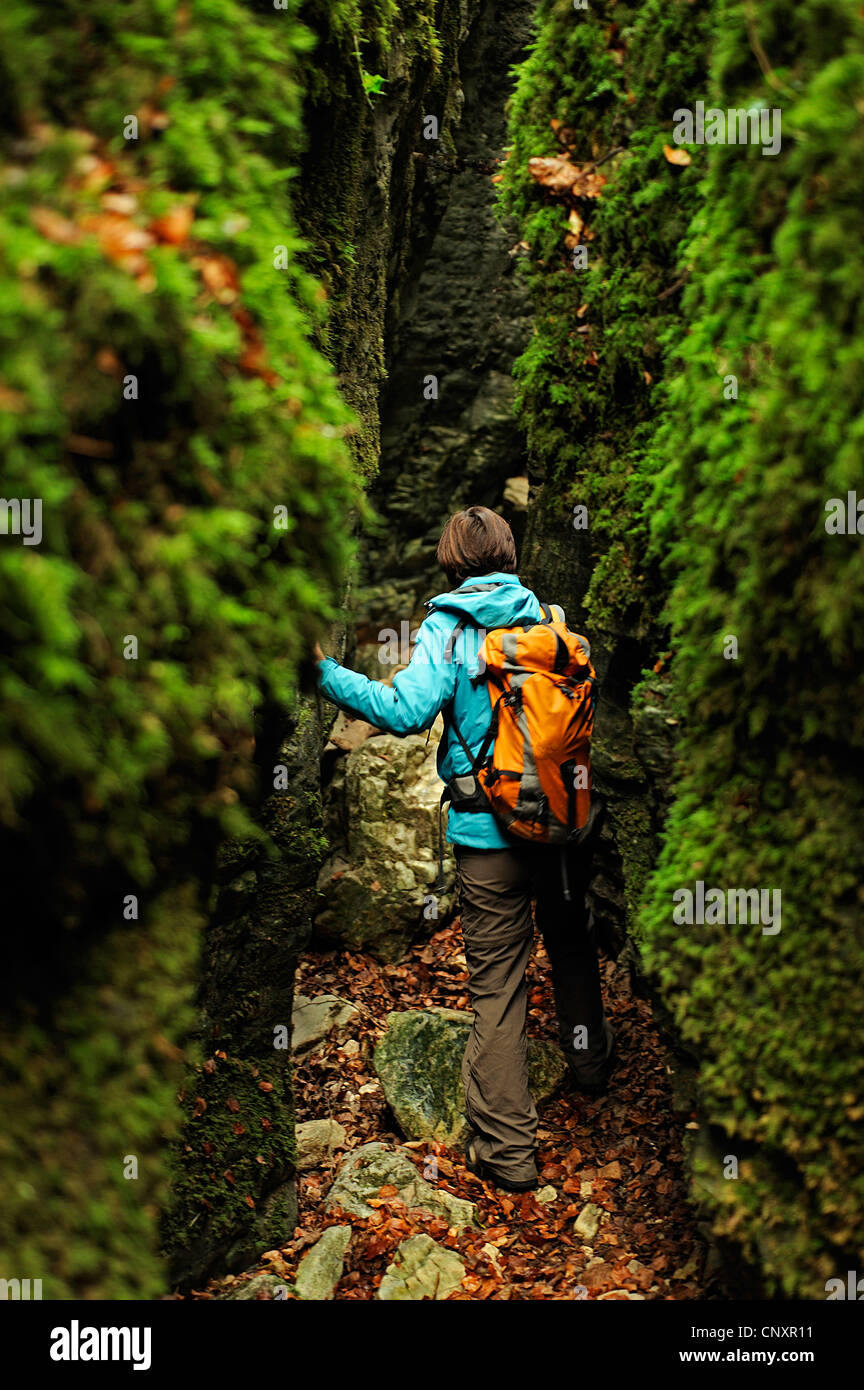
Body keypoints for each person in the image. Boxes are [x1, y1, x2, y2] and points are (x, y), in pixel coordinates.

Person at [312, 505, 614, 1192]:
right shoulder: (549, 619)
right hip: (563, 826)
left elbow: (402, 711)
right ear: (509, 555)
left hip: (488, 838)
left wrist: (325, 673)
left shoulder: (447, 629)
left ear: (450, 561)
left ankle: (509, 1156)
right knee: (571, 945)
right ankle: (591, 1065)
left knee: (499, 990)